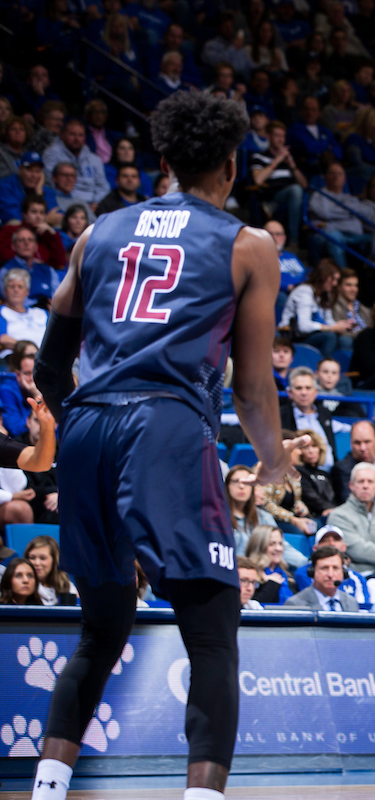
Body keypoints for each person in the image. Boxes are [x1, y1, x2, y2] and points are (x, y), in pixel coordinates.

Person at [31, 91, 296, 800]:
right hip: (166, 427)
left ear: (167, 162)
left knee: (101, 629)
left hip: (88, 425)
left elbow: (51, 362)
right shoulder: (249, 244)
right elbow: (251, 389)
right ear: (232, 166)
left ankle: (48, 789)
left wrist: (79, 426)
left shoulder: (97, 233)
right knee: (211, 629)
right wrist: (275, 461)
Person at [327, 462, 375, 573]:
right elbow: (356, 550)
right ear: (351, 486)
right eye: (361, 481)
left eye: (370, 482)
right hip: (356, 575)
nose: (365, 486)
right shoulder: (338, 516)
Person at [284, 546, 360, 611]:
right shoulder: (295, 604)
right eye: (324, 568)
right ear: (312, 572)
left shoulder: (352, 603)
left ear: (343, 572)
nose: (330, 574)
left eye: (335, 568)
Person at [243, 525, 295, 605]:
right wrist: (271, 584)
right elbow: (253, 606)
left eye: (280, 543)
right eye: (271, 544)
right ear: (259, 546)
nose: (278, 548)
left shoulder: (286, 575)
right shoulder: (247, 575)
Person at [24, 535, 77, 606]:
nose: (37, 563)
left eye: (43, 558)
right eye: (32, 558)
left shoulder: (66, 585)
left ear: (54, 561)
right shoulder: (23, 584)